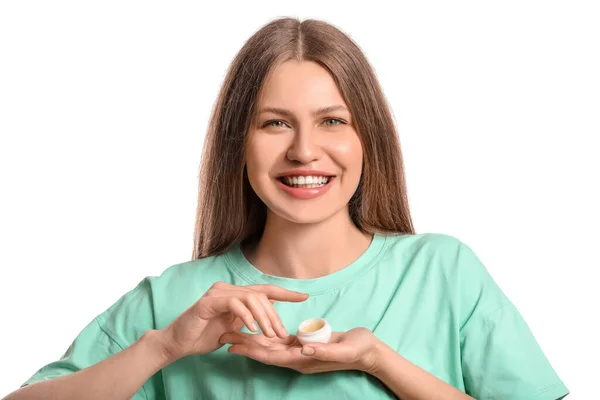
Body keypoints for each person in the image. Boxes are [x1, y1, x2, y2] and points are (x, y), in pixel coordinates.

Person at [6, 17, 569, 400]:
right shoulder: (174, 302)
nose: (304, 150)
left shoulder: (443, 271)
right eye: (275, 123)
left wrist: (378, 361)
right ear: (238, 143)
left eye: (333, 120)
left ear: (368, 139)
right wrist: (164, 348)